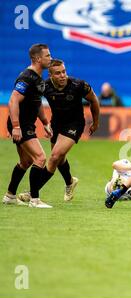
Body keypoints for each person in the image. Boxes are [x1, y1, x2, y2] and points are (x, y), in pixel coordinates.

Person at [18, 59, 100, 204]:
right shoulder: (44, 86)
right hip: (57, 124)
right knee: (60, 158)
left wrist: (96, 122)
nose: (62, 75)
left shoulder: (78, 85)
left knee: (54, 157)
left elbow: (94, 100)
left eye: (64, 72)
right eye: (58, 73)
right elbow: (34, 102)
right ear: (50, 75)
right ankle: (70, 182)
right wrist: (43, 123)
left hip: (75, 124)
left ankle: (32, 193)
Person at [2, 43, 53, 208]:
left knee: (25, 161)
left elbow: (37, 103)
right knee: (40, 158)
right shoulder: (27, 77)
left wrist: (45, 123)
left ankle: (10, 196)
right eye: (47, 56)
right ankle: (34, 200)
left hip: (26, 124)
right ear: (38, 59)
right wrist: (16, 126)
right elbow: (13, 99)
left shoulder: (38, 79)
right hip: (22, 125)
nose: (50, 58)